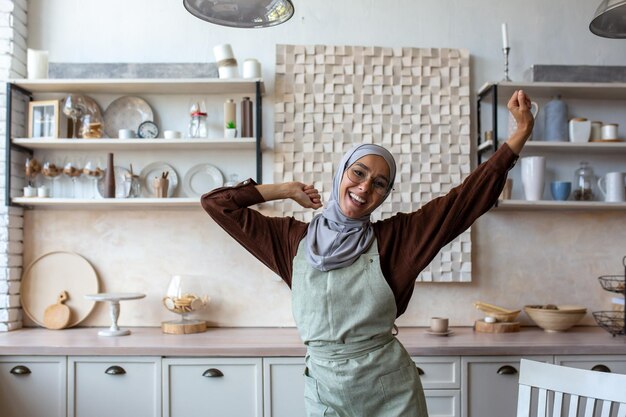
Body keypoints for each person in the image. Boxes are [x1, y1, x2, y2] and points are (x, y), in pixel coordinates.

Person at [202, 90, 535, 417]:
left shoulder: (399, 240)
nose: (364, 188)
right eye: (358, 172)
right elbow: (216, 204)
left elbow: (464, 201)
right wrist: (285, 188)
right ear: (341, 173)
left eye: (379, 183)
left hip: (389, 394)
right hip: (324, 393)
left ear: (384, 195)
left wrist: (518, 136)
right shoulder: (292, 241)